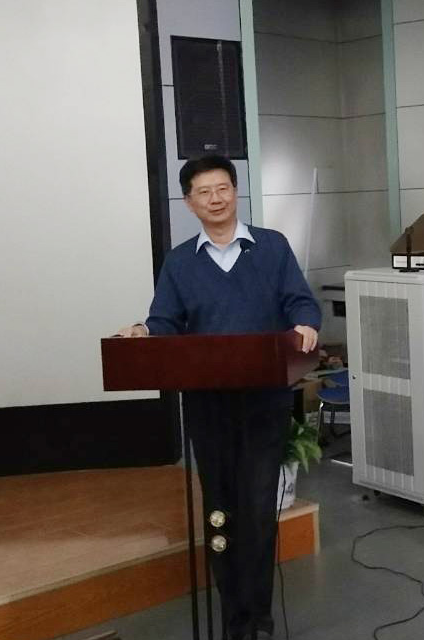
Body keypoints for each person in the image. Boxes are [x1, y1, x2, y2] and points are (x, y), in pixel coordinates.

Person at [116, 155, 321, 640]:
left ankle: (259, 615)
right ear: (190, 203)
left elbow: (299, 300)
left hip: (264, 402)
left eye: (223, 188)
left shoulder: (271, 246)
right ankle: (233, 619)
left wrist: (306, 322)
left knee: (258, 507)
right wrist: (145, 331)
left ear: (235, 191)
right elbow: (165, 320)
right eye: (204, 192)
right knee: (220, 509)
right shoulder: (180, 261)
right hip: (208, 406)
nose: (215, 199)